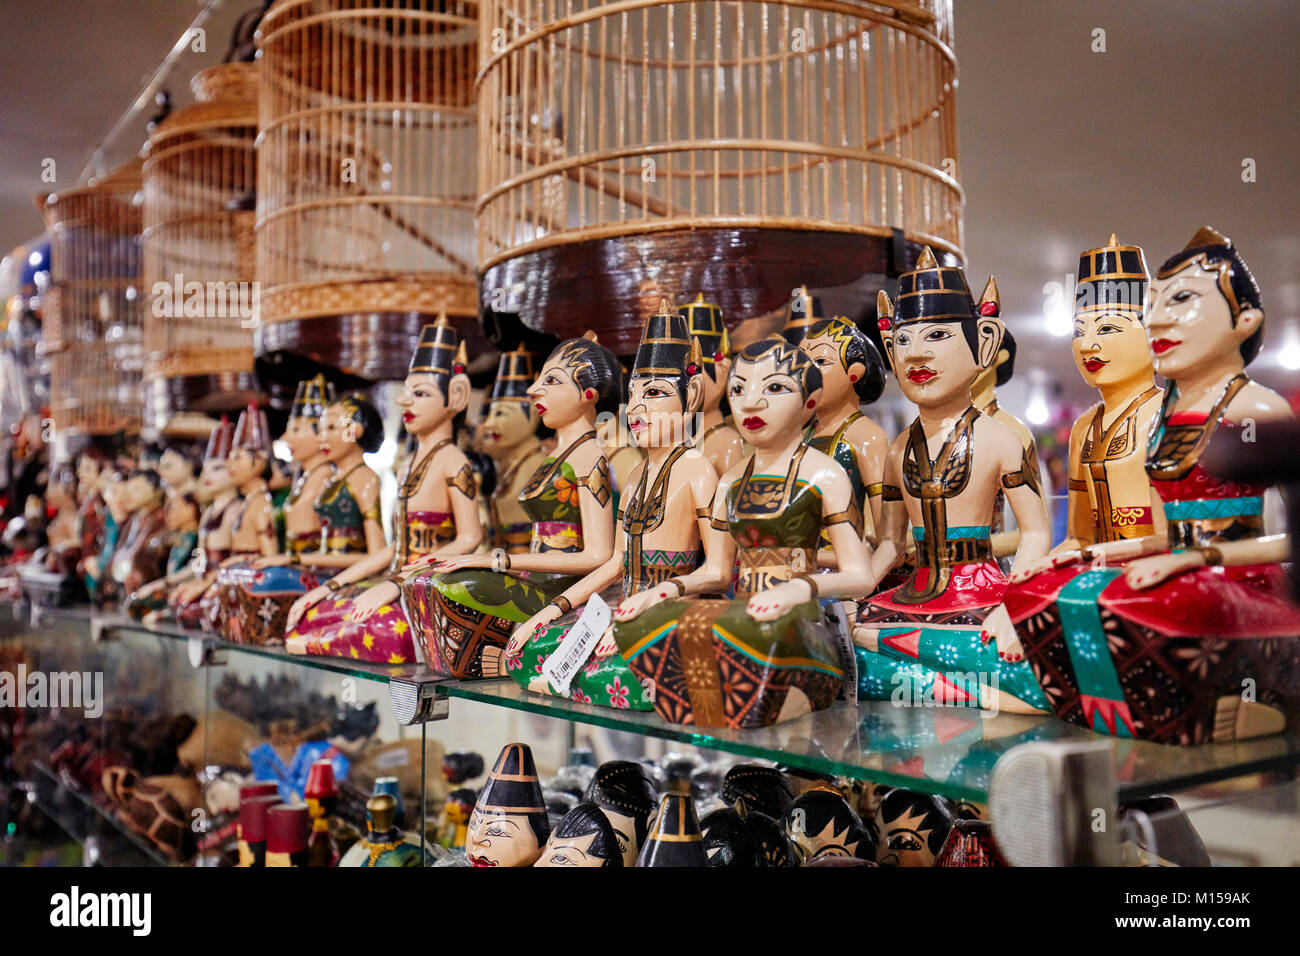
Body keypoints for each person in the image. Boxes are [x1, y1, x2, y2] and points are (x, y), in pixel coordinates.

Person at [1005, 228, 1300, 744]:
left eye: (1183, 300)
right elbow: (1166, 535)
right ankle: (1123, 709)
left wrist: (1201, 558)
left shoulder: (1258, 408)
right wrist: (1091, 555)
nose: (1159, 318)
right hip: (1174, 572)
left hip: (1234, 583)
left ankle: (1249, 698)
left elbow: (1285, 543)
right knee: (1046, 589)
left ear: (1245, 320)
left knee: (1171, 601)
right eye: (1156, 304)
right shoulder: (1166, 420)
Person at [611, 335, 876, 728]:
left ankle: (726, 700)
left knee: (753, 633)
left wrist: (799, 588)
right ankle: (707, 702)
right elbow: (718, 572)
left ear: (810, 402)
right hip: (743, 611)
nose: (750, 402)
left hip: (800, 622)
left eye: (775, 387)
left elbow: (861, 576)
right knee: (645, 622)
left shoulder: (824, 474)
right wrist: (666, 591)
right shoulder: (730, 481)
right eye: (739, 388)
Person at [852, 249, 1052, 714]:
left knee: (1010, 648)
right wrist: (854, 593)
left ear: (984, 342)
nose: (917, 353)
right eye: (904, 339)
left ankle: (941, 684)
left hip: (982, 591)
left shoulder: (1002, 439)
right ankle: (977, 696)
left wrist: (1013, 605)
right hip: (912, 596)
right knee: (850, 644)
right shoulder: (897, 449)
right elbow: (889, 543)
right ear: (889, 349)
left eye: (938, 335)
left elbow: (1037, 532)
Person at [503, 301, 716, 709]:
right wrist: (550, 611)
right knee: (526, 653)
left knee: (615, 672)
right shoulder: (636, 475)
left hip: (669, 609)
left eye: (654, 394)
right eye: (634, 394)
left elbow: (718, 571)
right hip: (620, 605)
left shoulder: (698, 470)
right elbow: (616, 563)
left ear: (691, 397)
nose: (636, 408)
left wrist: (656, 597)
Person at [401, 332, 621, 678]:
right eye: (538, 380)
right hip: (534, 576)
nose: (534, 390)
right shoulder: (558, 455)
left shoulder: (591, 457)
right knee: (428, 579)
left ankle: (492, 657)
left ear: (588, 395)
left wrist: (497, 559)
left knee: (454, 585)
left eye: (551, 381)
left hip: (561, 589)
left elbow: (598, 556)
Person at [284, 315, 483, 665]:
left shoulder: (454, 461)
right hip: (401, 578)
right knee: (326, 609)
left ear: (456, 395)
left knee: (385, 627)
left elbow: (469, 538)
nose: (405, 401)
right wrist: (328, 586)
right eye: (407, 392)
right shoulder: (409, 464)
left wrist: (400, 583)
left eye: (420, 393)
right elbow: (396, 547)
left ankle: (326, 640)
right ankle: (326, 634)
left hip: (431, 586)